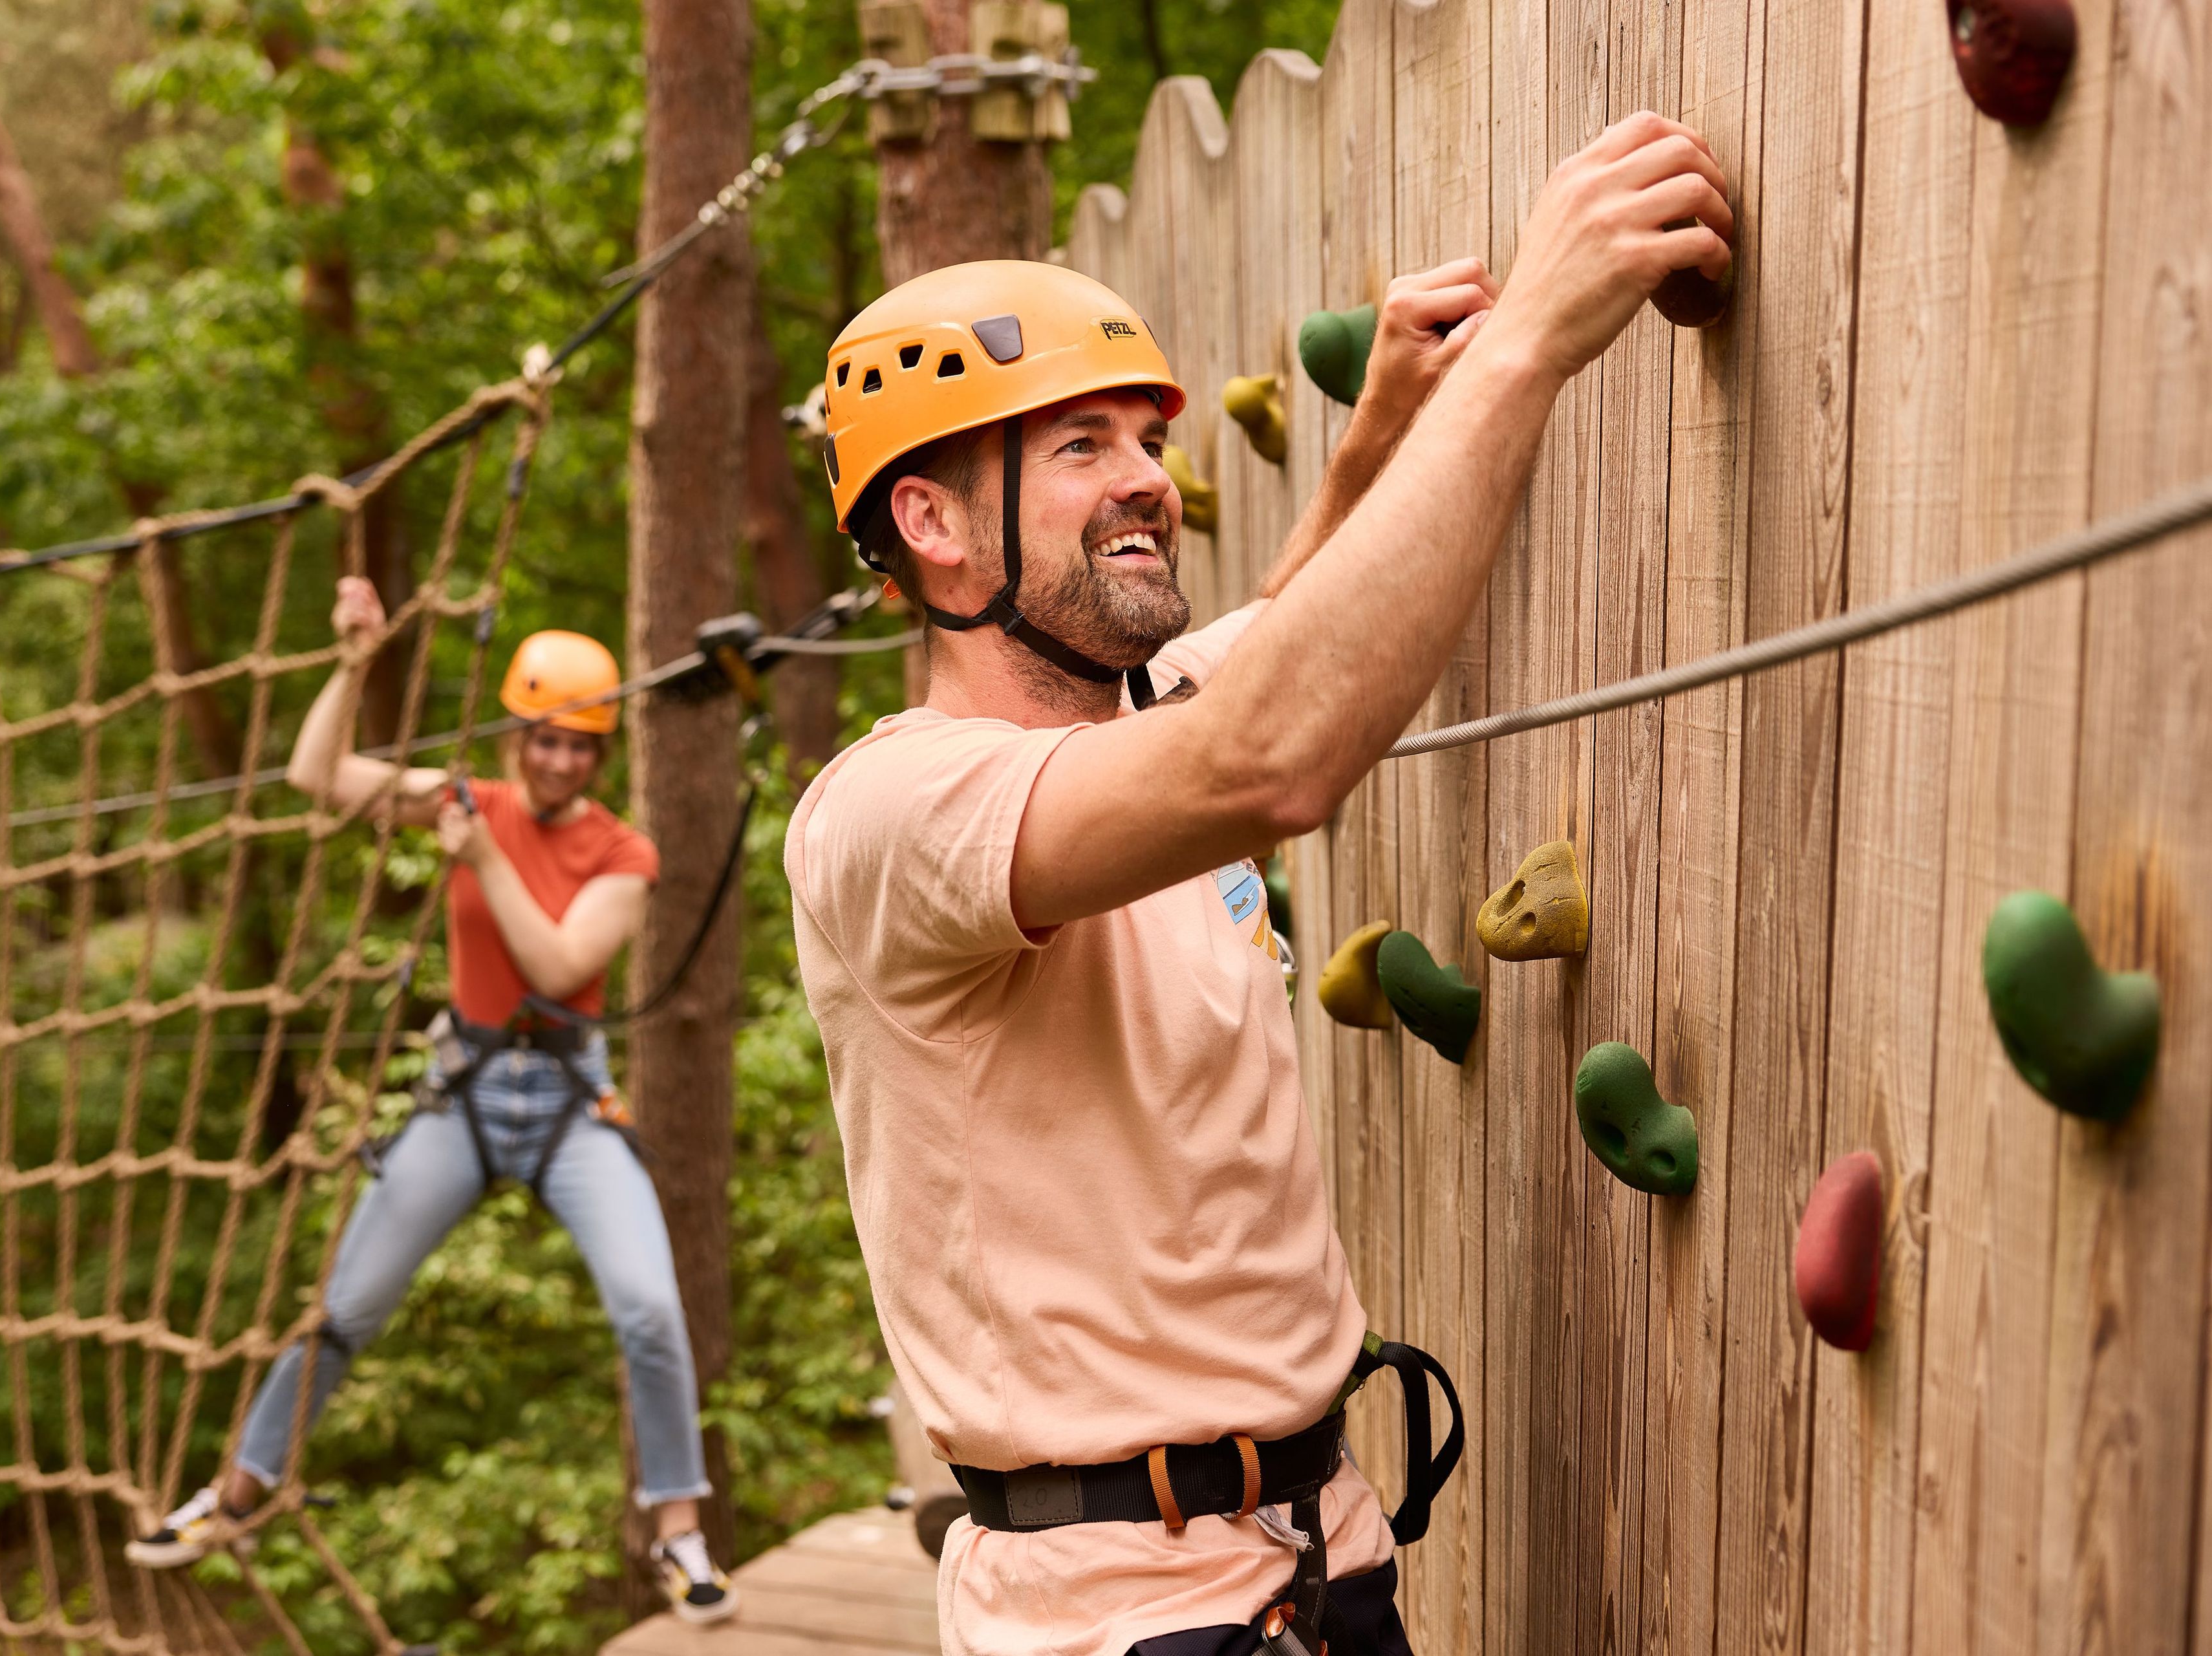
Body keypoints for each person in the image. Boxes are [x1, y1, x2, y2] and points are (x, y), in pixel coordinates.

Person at [786, 114, 1732, 1654]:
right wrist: (1529, 349)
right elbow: (1268, 755)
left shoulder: (1135, 736)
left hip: (1315, 1554)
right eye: (1082, 446)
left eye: (1149, 441)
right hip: (1116, 1615)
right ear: (934, 524)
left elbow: (1275, 657)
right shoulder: (893, 813)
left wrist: (1380, 443)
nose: (1146, 479)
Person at [126, 579, 736, 1624]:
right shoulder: (467, 799)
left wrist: (483, 854)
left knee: (647, 1305)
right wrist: (358, 660)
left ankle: (678, 1530)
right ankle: (236, 1491)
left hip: (565, 1099)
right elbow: (313, 774)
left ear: (601, 754)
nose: (558, 761)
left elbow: (557, 964)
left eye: (580, 746)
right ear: (516, 737)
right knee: (348, 1307)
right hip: (464, 1092)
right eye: (543, 740)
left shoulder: (622, 854)